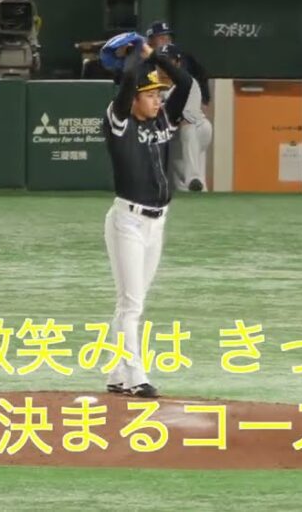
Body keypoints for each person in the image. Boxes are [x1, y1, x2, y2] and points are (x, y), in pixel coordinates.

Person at [100, 33, 194, 400]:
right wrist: (134, 58)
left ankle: (115, 372)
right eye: (151, 95)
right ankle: (136, 376)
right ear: (134, 99)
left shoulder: (162, 121)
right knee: (132, 304)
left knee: (131, 301)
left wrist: (155, 56)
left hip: (157, 223)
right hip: (127, 222)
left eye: (159, 94)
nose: (158, 100)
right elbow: (127, 81)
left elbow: (185, 82)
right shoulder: (118, 123)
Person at [161, 44, 212, 192]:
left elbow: (186, 120)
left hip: (199, 128)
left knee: (188, 131)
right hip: (174, 135)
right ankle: (196, 187)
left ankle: (193, 178)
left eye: (169, 61)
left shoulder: (188, 83)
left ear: (177, 63)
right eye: (161, 61)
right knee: (181, 175)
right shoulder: (152, 84)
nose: (164, 66)